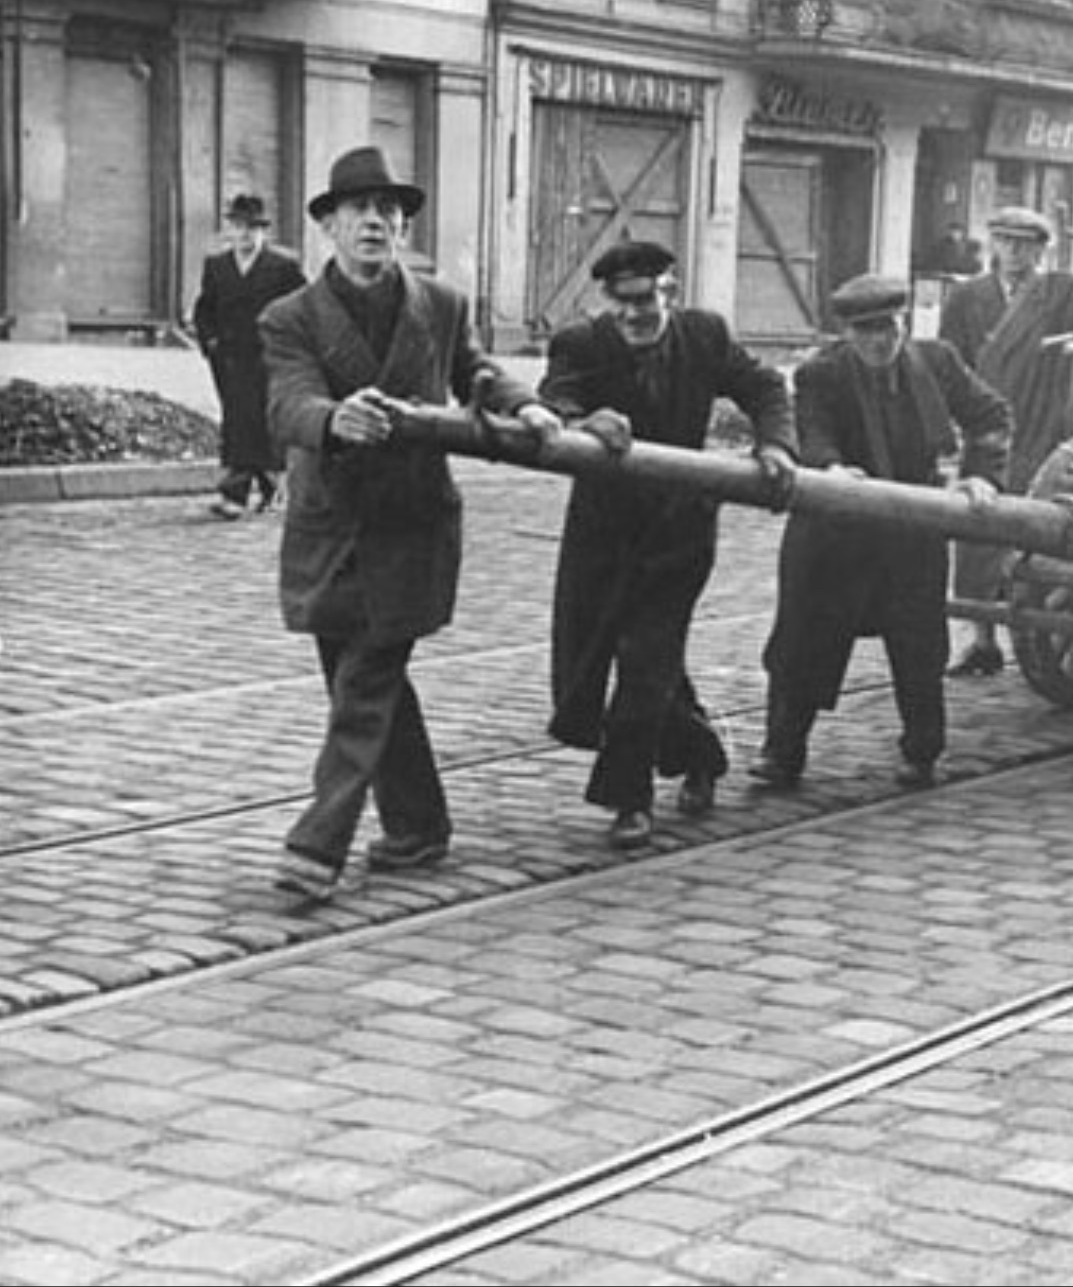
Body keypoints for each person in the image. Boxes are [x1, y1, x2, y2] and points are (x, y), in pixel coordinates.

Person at [259, 146, 564, 904]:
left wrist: (522, 404)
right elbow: (286, 402)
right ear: (329, 225)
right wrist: (335, 418)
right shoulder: (289, 318)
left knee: (366, 682)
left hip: (412, 523)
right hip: (332, 528)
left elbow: (476, 373)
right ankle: (419, 825)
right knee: (360, 677)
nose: (376, 222)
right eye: (359, 210)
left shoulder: (439, 303)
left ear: (401, 228)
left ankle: (318, 842)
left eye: (389, 211)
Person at [539, 240, 797, 847]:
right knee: (590, 656)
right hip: (603, 531)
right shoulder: (582, 344)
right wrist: (583, 423)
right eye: (622, 302)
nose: (635, 314)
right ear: (606, 301)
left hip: (680, 529)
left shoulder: (704, 335)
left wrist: (776, 444)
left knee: (647, 662)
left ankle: (630, 800)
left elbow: (764, 389)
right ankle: (701, 751)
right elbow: (552, 400)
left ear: (669, 292)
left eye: (647, 299)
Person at [753, 274, 1010, 790]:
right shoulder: (820, 374)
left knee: (919, 646)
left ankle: (921, 752)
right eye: (866, 330)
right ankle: (782, 752)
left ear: (905, 324)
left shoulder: (937, 363)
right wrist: (828, 469)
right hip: (835, 529)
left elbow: (990, 414)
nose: (879, 341)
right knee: (803, 644)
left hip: (912, 528)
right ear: (846, 333)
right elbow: (813, 429)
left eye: (889, 328)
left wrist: (982, 474)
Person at [939, 204, 1073, 676]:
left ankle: (1044, 621)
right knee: (978, 527)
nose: (1015, 252)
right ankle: (981, 640)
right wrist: (950, 421)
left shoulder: (1059, 292)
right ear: (993, 245)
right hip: (989, 430)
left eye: (1026, 244)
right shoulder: (967, 298)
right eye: (1005, 241)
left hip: (1044, 428)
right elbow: (948, 360)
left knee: (1041, 530)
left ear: (1042, 250)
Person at [191, 193, 306, 519]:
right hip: (230, 359)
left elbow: (303, 307)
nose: (245, 235)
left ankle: (246, 491)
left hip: (268, 358)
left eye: (252, 229)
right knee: (239, 420)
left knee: (263, 422)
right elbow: (204, 309)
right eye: (239, 227)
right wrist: (209, 340)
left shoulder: (283, 268)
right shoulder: (217, 267)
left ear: (263, 232)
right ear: (230, 229)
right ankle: (257, 490)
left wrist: (289, 347)